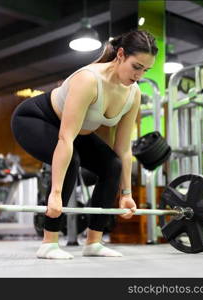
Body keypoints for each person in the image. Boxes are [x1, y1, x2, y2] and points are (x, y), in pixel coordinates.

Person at [11, 30, 157, 259]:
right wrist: (56, 194)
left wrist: (126, 193)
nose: (139, 75)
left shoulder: (133, 93)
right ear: (120, 54)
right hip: (35, 119)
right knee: (72, 161)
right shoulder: (88, 79)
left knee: (112, 165)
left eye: (145, 70)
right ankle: (49, 242)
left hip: (73, 131)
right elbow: (65, 138)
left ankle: (93, 242)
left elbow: (123, 148)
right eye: (136, 66)